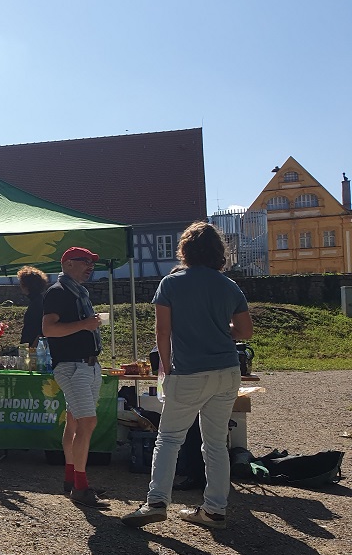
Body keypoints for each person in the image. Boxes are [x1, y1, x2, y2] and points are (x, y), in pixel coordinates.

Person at [123, 222, 253, 530]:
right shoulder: (229, 286)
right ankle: (215, 509)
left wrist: (166, 367)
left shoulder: (171, 283)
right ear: (219, 252)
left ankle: (156, 502)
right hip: (226, 370)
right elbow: (245, 331)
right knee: (216, 443)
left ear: (185, 250)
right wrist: (222, 329)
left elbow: (162, 330)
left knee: (168, 438)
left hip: (188, 371)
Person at [42, 247, 107, 508]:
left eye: (92, 262)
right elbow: (48, 329)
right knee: (87, 423)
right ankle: (80, 486)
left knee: (74, 422)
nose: (90, 266)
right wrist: (84, 325)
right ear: (68, 264)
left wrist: (87, 325)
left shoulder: (78, 292)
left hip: (87, 365)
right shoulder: (58, 292)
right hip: (72, 366)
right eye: (85, 261)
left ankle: (72, 480)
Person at [17, 266, 50, 348]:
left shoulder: (37, 303)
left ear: (26, 285)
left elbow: (40, 330)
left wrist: (32, 349)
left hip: (34, 347)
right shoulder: (39, 300)